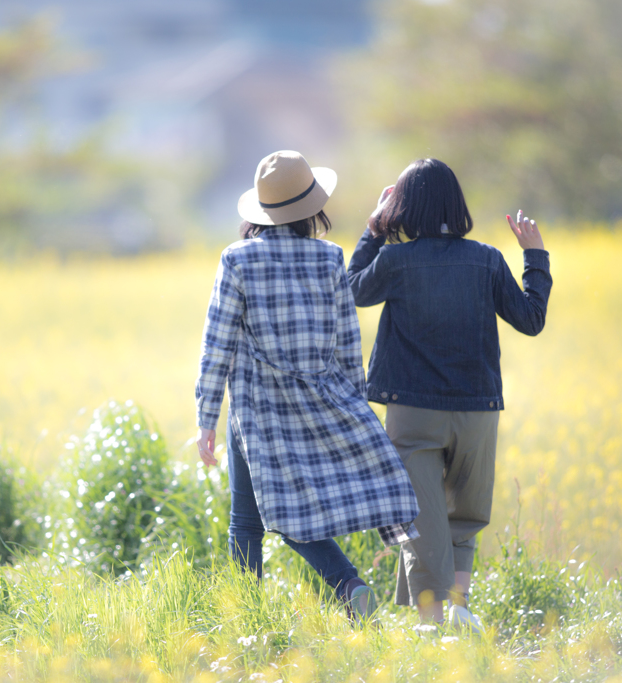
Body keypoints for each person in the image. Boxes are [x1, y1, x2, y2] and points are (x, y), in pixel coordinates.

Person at [194, 150, 420, 621]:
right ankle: (348, 585)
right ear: (312, 206)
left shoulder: (237, 259)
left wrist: (205, 418)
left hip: (256, 409)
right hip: (321, 401)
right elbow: (346, 340)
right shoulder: (330, 257)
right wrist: (353, 409)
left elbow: (217, 344)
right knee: (290, 509)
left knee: (247, 521)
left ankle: (252, 615)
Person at [347, 158, 552, 631]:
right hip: (476, 409)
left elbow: (352, 289)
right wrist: (535, 257)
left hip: (411, 410)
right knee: (464, 515)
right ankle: (457, 611)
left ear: (403, 207)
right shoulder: (485, 259)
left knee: (418, 520)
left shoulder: (395, 260)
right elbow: (531, 320)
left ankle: (431, 623)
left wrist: (374, 230)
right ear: (456, 204)